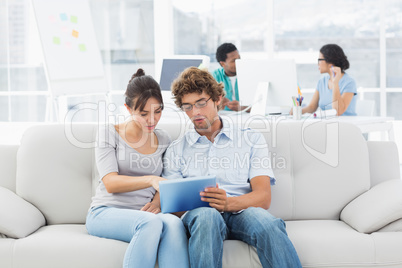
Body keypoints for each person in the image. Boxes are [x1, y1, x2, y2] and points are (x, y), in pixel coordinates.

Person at [163, 66, 302, 268]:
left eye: (201, 103)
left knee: (268, 224)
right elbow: (172, 207)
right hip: (201, 216)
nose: (196, 112)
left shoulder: (251, 139)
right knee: (207, 217)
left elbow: (263, 197)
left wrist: (228, 203)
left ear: (218, 99)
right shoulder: (176, 149)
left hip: (241, 210)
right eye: (188, 107)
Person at [86, 69, 189, 268]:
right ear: (128, 108)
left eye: (158, 111)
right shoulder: (109, 133)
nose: (152, 120)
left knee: (175, 224)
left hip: (145, 213)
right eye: (143, 114)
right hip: (105, 212)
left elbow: (166, 180)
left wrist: (158, 201)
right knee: (149, 223)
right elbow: (111, 183)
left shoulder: (164, 139)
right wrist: (150, 179)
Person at [298, 44, 357, 116]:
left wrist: (335, 83)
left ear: (330, 62)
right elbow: (312, 107)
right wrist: (294, 112)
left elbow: (338, 111)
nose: (317, 64)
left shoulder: (349, 82)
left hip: (345, 125)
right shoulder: (322, 82)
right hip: (327, 123)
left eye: (319, 60)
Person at [212, 42, 243, 111]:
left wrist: (242, 107)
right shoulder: (213, 77)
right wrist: (216, 103)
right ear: (223, 64)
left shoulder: (249, 74)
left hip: (246, 116)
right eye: (234, 61)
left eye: (239, 58)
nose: (239, 62)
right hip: (224, 117)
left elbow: (261, 104)